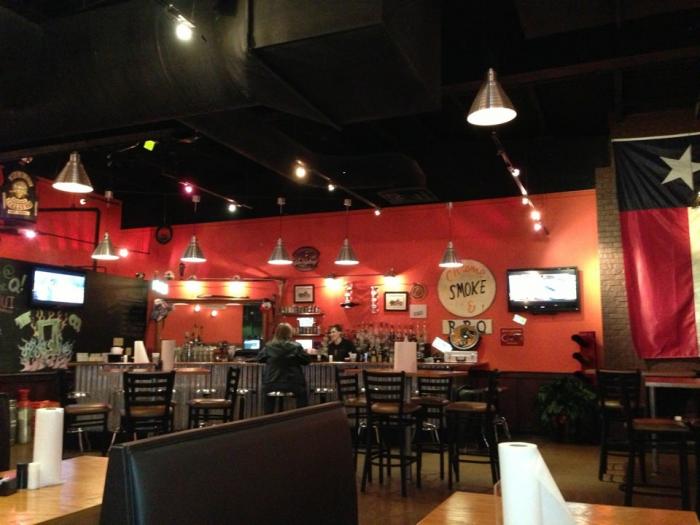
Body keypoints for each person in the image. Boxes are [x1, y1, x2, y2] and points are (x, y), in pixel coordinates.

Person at [257, 322, 311, 414]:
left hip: (272, 383)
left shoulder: (268, 346)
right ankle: (302, 417)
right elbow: (307, 361)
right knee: (302, 394)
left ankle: (268, 418)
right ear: (290, 333)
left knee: (268, 395)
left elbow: (259, 359)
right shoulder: (296, 346)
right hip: (293, 383)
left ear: (276, 333)